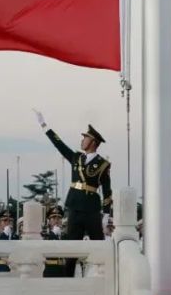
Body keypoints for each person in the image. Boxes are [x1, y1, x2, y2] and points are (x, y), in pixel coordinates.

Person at [34, 110, 112, 277]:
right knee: (71, 249)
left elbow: (107, 190)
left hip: (91, 209)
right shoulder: (77, 158)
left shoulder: (103, 164)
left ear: (93, 142)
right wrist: (44, 126)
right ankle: (68, 280)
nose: (82, 140)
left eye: (85, 138)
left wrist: (106, 214)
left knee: (99, 246)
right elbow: (59, 145)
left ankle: (105, 277)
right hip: (75, 206)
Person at [42, 205, 66, 278]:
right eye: (53, 218)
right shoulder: (45, 235)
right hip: (50, 270)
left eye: (59, 218)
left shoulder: (65, 236)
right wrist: (53, 234)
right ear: (49, 221)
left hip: (64, 270)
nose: (56, 220)